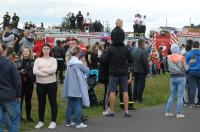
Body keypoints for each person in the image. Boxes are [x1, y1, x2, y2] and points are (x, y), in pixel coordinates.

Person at [103, 19, 133, 116]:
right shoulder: (125, 48)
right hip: (124, 72)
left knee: (112, 91)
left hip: (113, 72)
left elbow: (105, 60)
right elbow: (131, 59)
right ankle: (126, 111)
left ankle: (111, 111)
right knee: (125, 91)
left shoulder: (110, 48)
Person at [61, 47, 89, 128]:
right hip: (77, 87)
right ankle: (78, 123)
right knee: (78, 105)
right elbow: (87, 70)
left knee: (70, 104)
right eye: (80, 52)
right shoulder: (79, 63)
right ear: (77, 53)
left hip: (70, 87)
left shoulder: (69, 63)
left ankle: (68, 122)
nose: (81, 53)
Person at [33, 43, 58, 129]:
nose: (46, 50)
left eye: (47, 48)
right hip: (40, 84)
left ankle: (53, 121)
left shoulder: (53, 60)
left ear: (50, 50)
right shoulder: (38, 60)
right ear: (42, 50)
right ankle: (41, 121)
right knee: (41, 103)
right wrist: (46, 74)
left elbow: (53, 70)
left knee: (53, 102)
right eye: (44, 49)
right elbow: (35, 71)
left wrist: (42, 70)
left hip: (52, 84)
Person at [0, 40, 21, 132]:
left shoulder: (11, 64)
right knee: (14, 120)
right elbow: (17, 83)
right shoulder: (11, 64)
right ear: (4, 51)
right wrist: (18, 96)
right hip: (10, 97)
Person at [165, 44, 188, 118]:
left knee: (172, 96)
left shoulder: (168, 57)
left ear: (171, 49)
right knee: (180, 96)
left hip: (172, 78)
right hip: (181, 78)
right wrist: (190, 64)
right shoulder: (182, 57)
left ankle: (167, 112)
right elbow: (186, 68)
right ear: (178, 49)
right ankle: (179, 113)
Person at [16, 47, 35, 122]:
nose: (26, 52)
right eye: (24, 51)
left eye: (27, 51)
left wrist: (28, 71)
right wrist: (20, 71)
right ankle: (19, 117)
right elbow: (16, 70)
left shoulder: (33, 61)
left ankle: (28, 116)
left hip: (29, 83)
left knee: (28, 101)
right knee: (20, 101)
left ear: (30, 53)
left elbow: (34, 72)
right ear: (22, 53)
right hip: (20, 84)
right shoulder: (19, 61)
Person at [132, 39, 149, 103]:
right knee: (141, 85)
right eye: (144, 43)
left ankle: (135, 98)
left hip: (135, 69)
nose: (145, 44)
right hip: (141, 70)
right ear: (142, 44)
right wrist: (147, 71)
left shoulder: (134, 50)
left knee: (136, 84)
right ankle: (139, 99)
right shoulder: (143, 51)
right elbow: (145, 62)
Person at [186, 41, 200, 107]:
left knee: (192, 88)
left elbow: (186, 63)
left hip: (191, 72)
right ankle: (199, 102)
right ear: (199, 46)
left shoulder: (189, 53)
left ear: (192, 46)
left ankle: (191, 103)